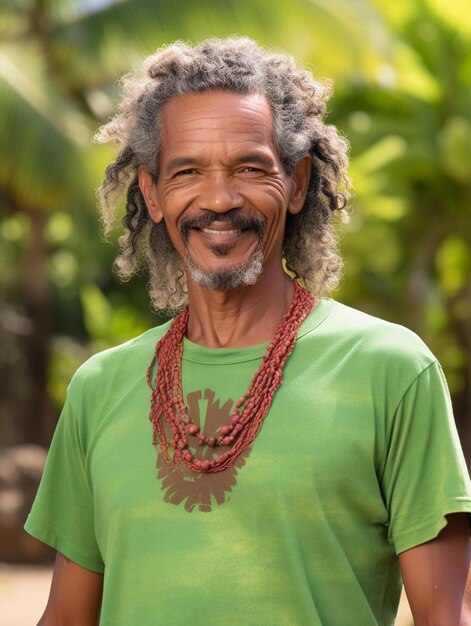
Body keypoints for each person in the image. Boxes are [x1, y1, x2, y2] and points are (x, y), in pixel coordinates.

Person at [25, 37, 471, 626]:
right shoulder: (100, 388)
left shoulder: (390, 369)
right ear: (153, 194)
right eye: (188, 171)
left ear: (296, 180)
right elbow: (65, 619)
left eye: (250, 168)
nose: (219, 198)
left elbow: (445, 617)